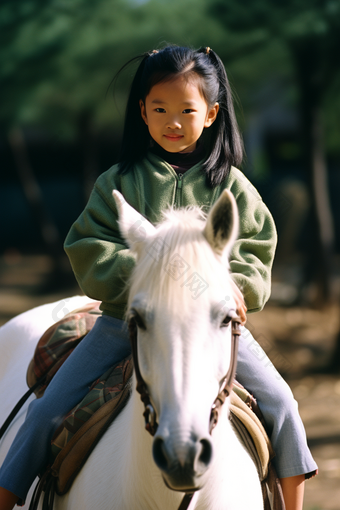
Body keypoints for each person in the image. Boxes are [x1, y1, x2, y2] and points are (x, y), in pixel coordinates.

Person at [0, 45, 317, 510]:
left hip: (214, 327)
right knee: (46, 411)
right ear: (142, 112)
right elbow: (88, 246)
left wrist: (233, 285)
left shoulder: (233, 187)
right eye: (160, 109)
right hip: (125, 322)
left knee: (284, 406)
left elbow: (255, 249)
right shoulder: (117, 183)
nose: (173, 121)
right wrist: (148, 279)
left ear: (210, 115)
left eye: (186, 110)